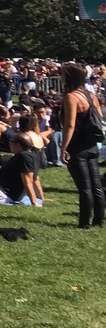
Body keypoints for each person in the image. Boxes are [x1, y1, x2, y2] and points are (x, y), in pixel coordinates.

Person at [60, 62, 104, 228]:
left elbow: (69, 125)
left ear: (69, 77)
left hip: (77, 147)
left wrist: (64, 147)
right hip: (92, 145)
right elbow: (99, 117)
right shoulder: (91, 96)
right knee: (96, 185)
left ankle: (84, 222)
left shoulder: (72, 97)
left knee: (84, 187)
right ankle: (99, 220)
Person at [0, 134, 42, 206]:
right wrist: (41, 199)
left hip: (3, 192)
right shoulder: (32, 155)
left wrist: (34, 202)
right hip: (1, 190)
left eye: (11, 142)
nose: (9, 144)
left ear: (18, 144)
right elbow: (36, 179)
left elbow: (28, 181)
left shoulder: (24, 157)